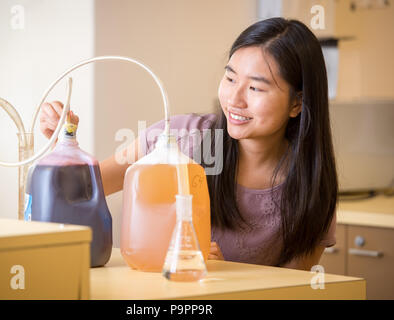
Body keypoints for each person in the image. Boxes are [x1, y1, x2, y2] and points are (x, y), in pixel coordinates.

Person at [39, 17, 337, 271]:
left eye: (256, 87)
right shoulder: (180, 138)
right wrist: (64, 141)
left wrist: (227, 274)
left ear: (297, 103)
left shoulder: (310, 184)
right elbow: (79, 191)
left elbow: (294, 290)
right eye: (231, 79)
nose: (234, 99)